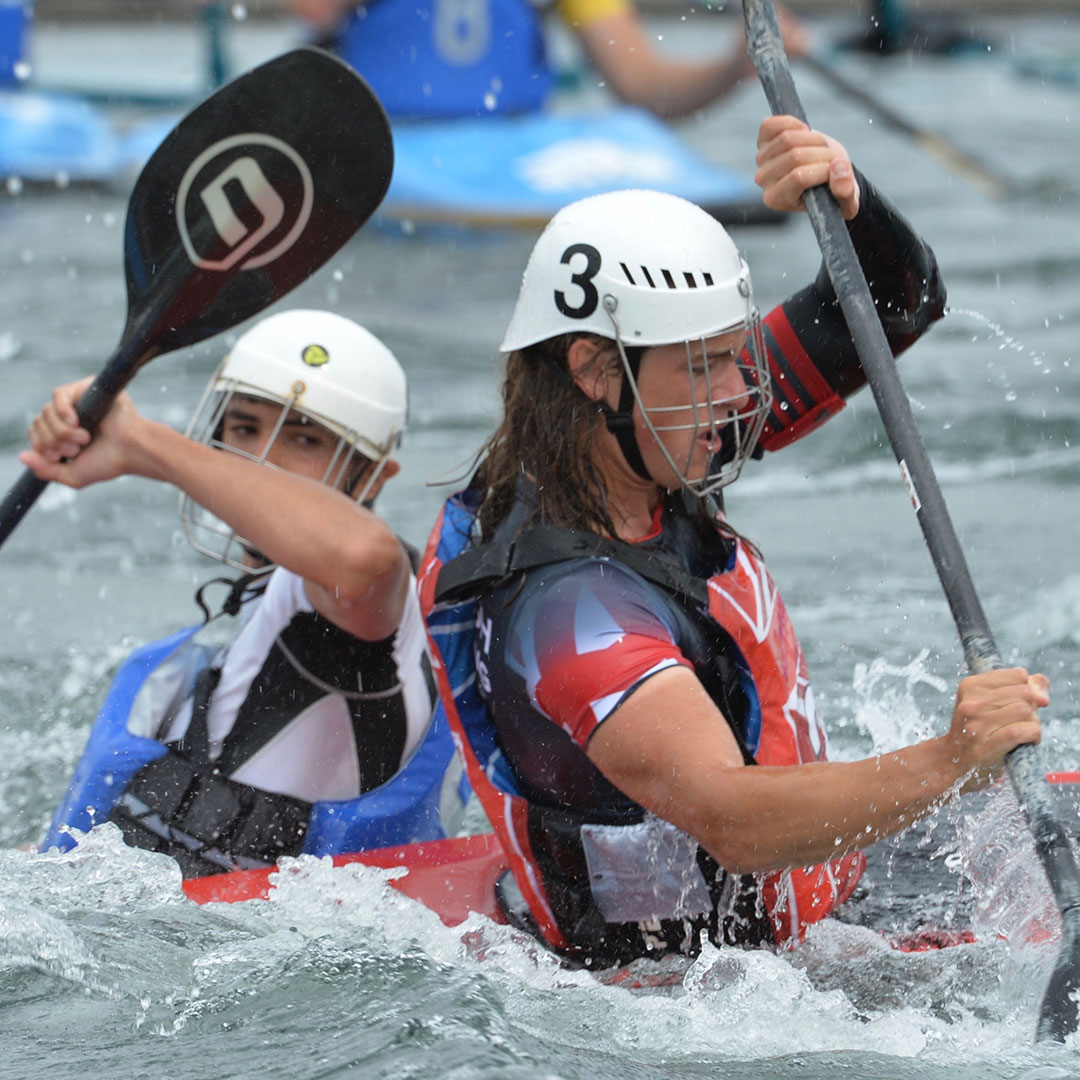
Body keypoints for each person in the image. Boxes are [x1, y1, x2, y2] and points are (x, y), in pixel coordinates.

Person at [418, 117, 1049, 966]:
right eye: (708, 364)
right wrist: (950, 760)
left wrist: (847, 200)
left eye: (731, 355)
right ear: (596, 370)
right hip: (715, 982)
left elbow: (894, 305)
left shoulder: (644, 443)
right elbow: (735, 820)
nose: (740, 389)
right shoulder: (568, 610)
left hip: (816, 901)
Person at [31, 310, 460, 877]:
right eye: (243, 429)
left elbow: (362, 559)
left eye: (304, 438)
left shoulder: (371, 610)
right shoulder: (263, 593)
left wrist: (139, 443)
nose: (261, 459)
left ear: (375, 477)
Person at [285, 0, 809, 119]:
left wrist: (735, 65)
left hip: (516, 146)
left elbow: (643, 84)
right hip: (387, 145)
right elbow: (310, 8)